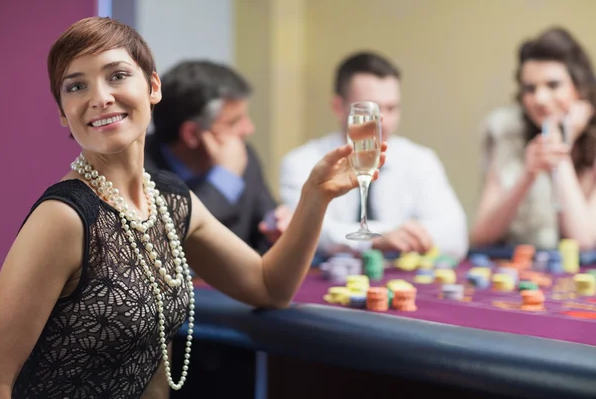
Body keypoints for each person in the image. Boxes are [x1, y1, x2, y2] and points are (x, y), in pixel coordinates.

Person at [0, 17, 387, 399]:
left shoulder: (170, 198)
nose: (99, 97)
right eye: (76, 86)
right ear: (63, 112)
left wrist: (314, 197)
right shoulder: (64, 217)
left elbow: (269, 287)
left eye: (116, 75)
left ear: (152, 87)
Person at [280, 51, 468, 260]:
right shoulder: (301, 162)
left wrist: (379, 235)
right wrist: (377, 239)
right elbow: (300, 232)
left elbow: (455, 234)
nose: (383, 121)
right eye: (370, 109)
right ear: (338, 107)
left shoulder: (421, 160)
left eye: (392, 108)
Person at [145, 60, 290, 253]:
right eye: (234, 122)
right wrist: (225, 177)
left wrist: (278, 231)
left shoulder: (245, 156)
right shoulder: (136, 167)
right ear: (191, 134)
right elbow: (169, 241)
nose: (249, 128)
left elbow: (263, 235)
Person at [471, 27, 596, 250]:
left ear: (580, 88)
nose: (539, 98)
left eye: (553, 85)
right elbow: (481, 236)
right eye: (529, 88)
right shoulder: (508, 132)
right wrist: (527, 174)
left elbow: (583, 240)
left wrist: (560, 146)